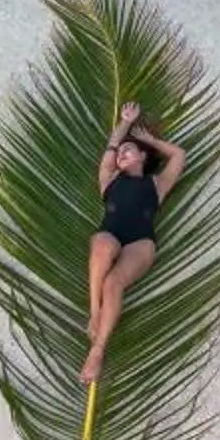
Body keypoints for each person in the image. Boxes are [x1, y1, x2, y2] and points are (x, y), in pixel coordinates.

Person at [85, 100, 186, 385]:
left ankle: (98, 351)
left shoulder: (157, 184)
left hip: (140, 243)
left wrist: (148, 139)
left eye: (129, 151)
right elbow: (111, 147)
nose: (121, 155)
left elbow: (179, 155)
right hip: (110, 236)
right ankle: (95, 312)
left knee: (114, 283)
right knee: (103, 246)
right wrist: (125, 122)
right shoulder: (109, 180)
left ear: (143, 156)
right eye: (120, 154)